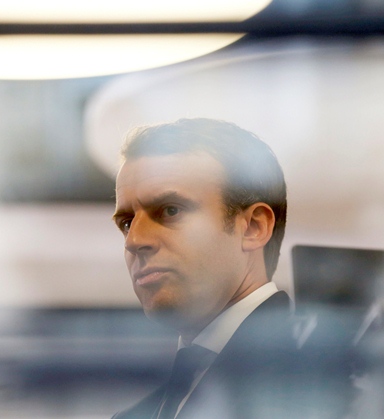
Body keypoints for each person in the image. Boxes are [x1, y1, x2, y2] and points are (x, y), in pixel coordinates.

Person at [110, 118, 325, 418]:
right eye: (127, 222)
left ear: (253, 227)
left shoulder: (325, 386)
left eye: (170, 210)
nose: (134, 241)